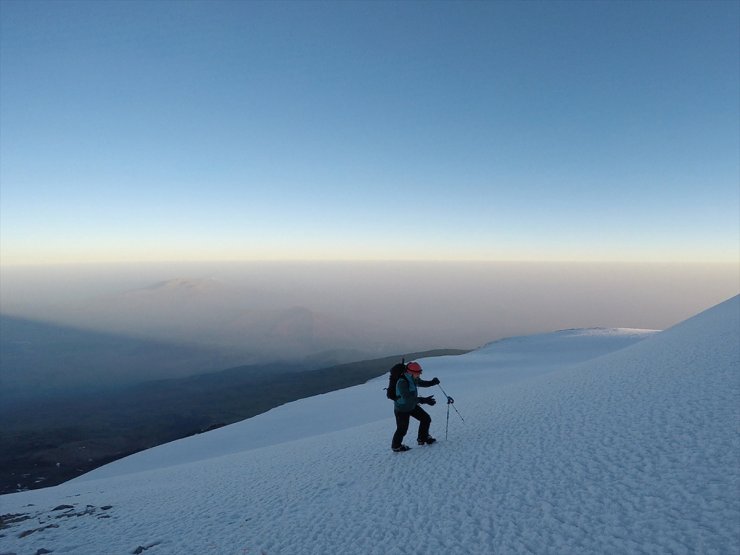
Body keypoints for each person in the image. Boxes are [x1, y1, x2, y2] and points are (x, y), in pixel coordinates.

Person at [391, 361, 440, 452]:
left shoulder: (412, 378)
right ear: (411, 372)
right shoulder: (402, 382)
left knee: (426, 419)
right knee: (402, 429)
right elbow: (408, 398)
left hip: (411, 406)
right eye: (418, 373)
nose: (419, 374)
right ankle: (396, 446)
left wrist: (432, 382)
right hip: (402, 409)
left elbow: (421, 383)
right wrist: (424, 400)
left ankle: (422, 438)